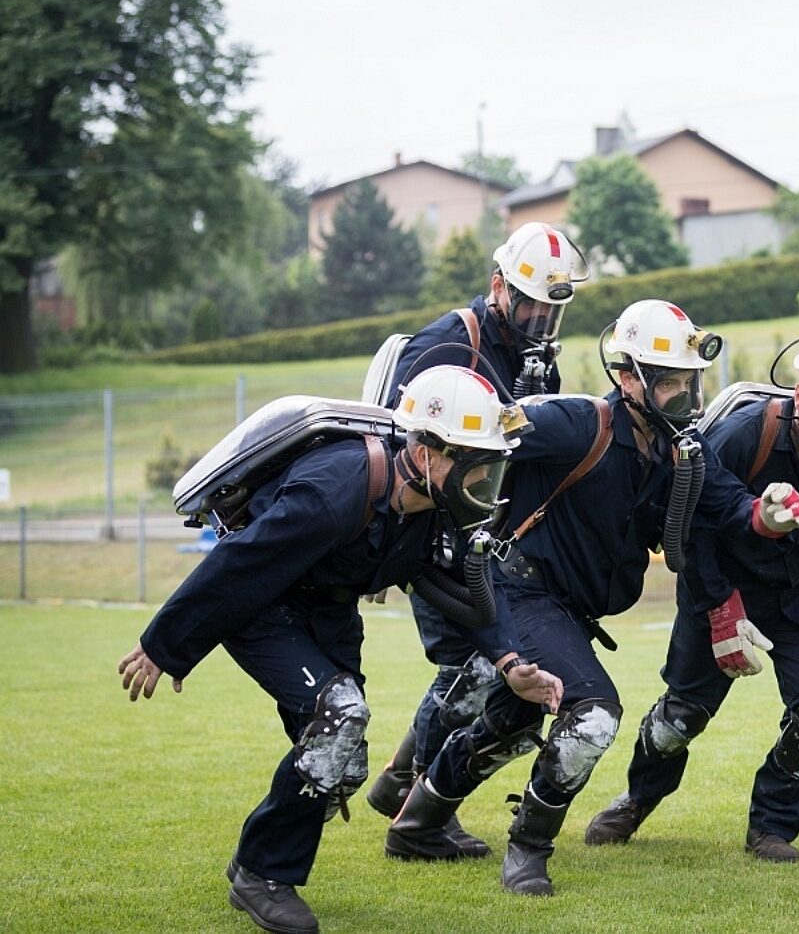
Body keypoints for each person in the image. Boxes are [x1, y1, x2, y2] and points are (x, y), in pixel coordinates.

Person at [116, 366, 563, 934]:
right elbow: (238, 565)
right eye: (476, 463)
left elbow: (470, 593)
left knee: (345, 769)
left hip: (327, 614)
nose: (485, 480)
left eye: (491, 465)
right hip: (262, 607)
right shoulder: (334, 491)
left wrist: (512, 664)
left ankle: (264, 851)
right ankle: (261, 874)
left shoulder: (435, 513)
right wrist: (165, 646)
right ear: (426, 453)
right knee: (340, 716)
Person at [384, 299, 799, 896]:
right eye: (669, 381)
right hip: (521, 590)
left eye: (690, 381)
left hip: (569, 611)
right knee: (593, 714)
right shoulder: (577, 422)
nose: (685, 396)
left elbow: (731, 505)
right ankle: (529, 850)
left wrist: (768, 513)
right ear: (628, 377)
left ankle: (417, 824)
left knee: (513, 722)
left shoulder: (682, 449)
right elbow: (474, 443)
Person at [586, 330, 799, 862]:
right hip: (722, 587)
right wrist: (721, 611)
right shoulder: (744, 434)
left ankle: (772, 827)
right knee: (679, 719)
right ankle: (637, 799)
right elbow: (692, 528)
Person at [366, 220, 583, 859]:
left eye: (552, 310)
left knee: (468, 666)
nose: (541, 320)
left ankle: (400, 783)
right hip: (431, 530)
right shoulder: (447, 344)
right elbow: (405, 443)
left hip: (481, 529)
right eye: (531, 304)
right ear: (498, 287)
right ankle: (420, 809)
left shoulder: (534, 356)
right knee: (469, 667)